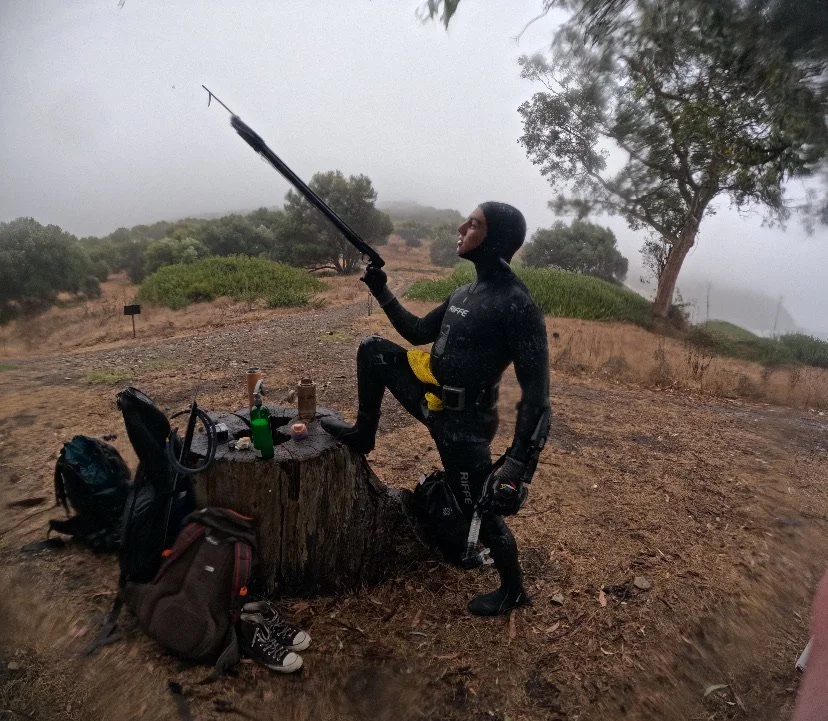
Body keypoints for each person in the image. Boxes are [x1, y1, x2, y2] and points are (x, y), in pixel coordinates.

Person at [322, 202, 550, 616]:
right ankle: (364, 433)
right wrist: (382, 290)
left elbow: (537, 394)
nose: (461, 228)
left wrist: (519, 465)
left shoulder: (517, 305)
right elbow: (417, 332)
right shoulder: (464, 293)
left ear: (495, 239)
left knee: (478, 504)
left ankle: (513, 589)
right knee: (373, 351)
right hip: (433, 401)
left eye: (474, 224)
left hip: (465, 426)